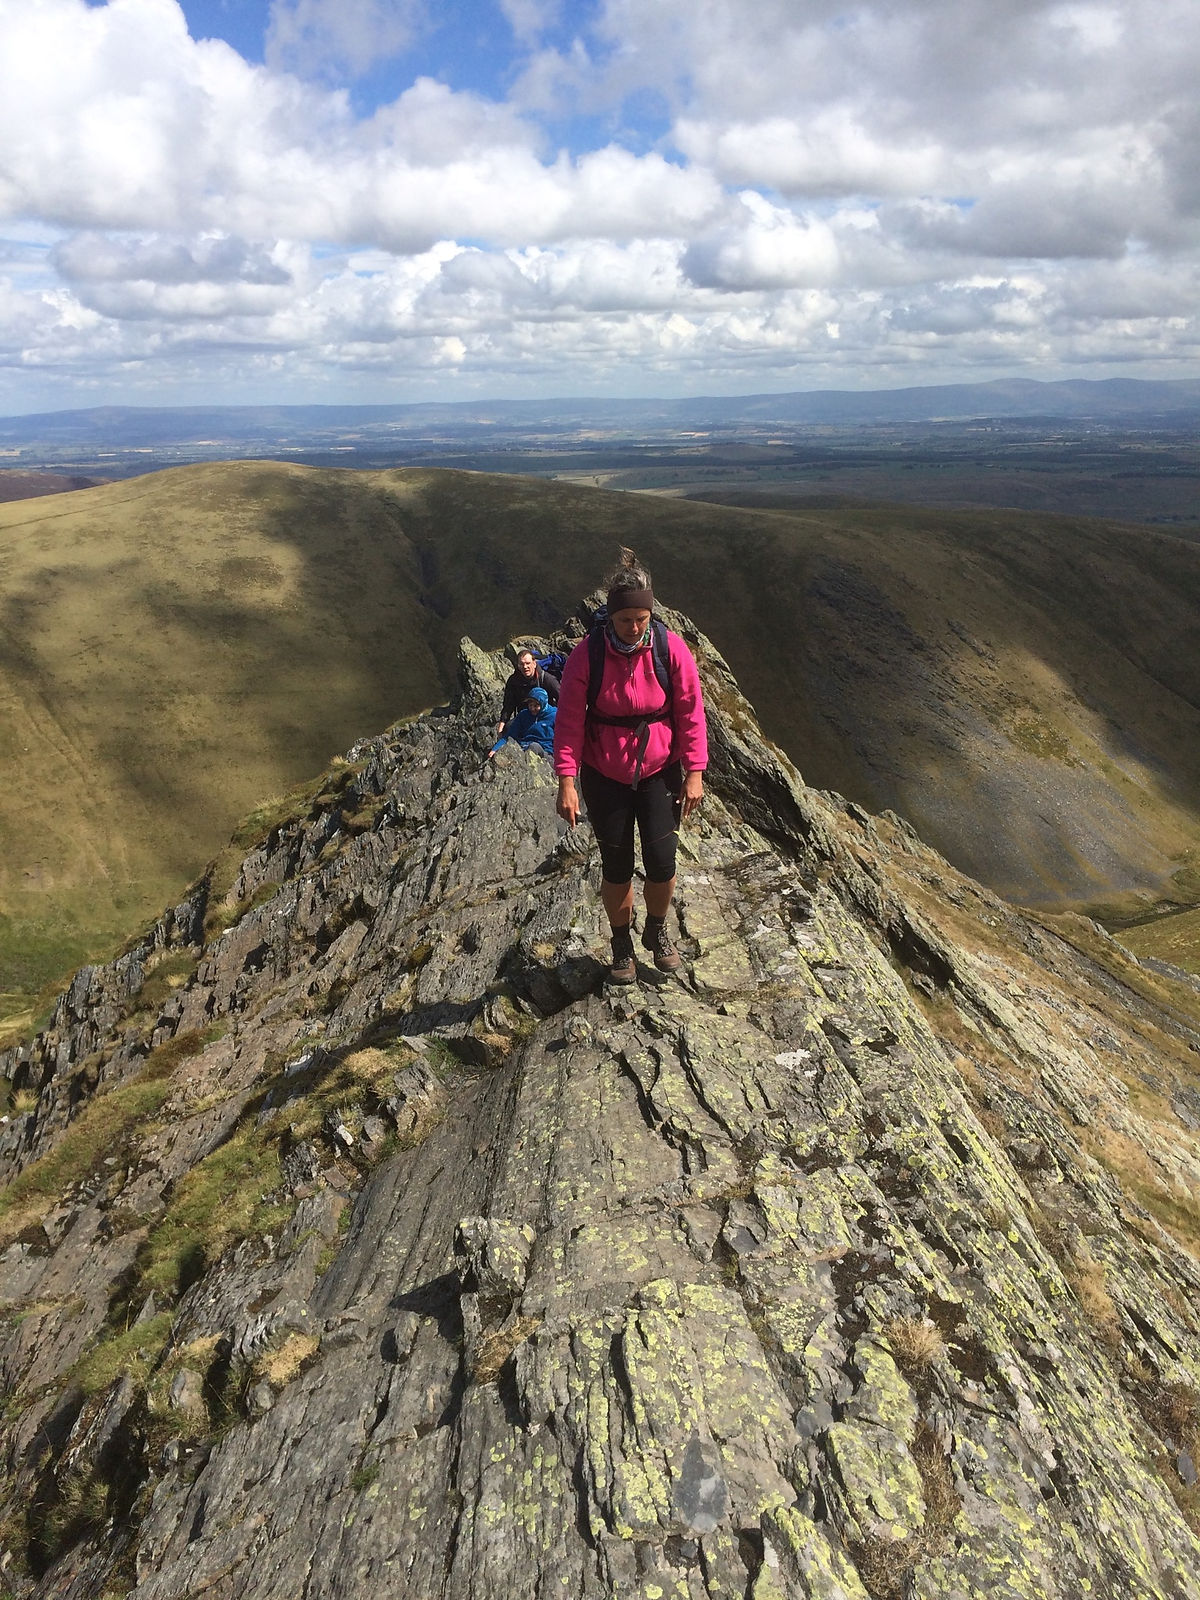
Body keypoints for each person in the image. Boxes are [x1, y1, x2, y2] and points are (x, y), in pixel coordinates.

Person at [554, 550, 707, 981]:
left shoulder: (669, 648)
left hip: (659, 771)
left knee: (663, 862)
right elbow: (568, 722)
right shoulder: (588, 656)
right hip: (605, 775)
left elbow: (691, 712)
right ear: (610, 615)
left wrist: (695, 772)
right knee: (616, 867)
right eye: (625, 620)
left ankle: (656, 933)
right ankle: (622, 944)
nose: (634, 628)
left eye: (642, 618)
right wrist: (567, 781)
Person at [497, 648, 560, 734]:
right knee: (508, 729)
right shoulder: (513, 681)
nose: (525, 667)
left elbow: (562, 698)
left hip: (544, 717)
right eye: (522, 664)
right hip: (524, 718)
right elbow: (508, 705)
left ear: (534, 663)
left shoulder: (546, 679)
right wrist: (502, 725)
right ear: (518, 666)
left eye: (528, 663)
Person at [488, 685, 557, 758]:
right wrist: (495, 749)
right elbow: (509, 736)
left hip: (546, 751)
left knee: (534, 747)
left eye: (536, 706)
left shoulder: (554, 715)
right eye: (530, 705)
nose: (532, 709)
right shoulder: (524, 715)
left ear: (543, 704)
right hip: (524, 747)